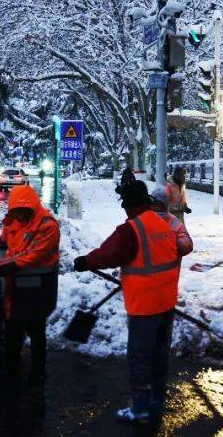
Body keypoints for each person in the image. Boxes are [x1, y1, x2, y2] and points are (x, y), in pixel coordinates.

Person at [73, 181, 192, 423]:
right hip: (166, 301)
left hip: (145, 305)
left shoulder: (130, 230)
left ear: (128, 207)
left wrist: (85, 261)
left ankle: (140, 409)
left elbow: (109, 254)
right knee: (159, 354)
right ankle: (157, 400)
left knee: (139, 356)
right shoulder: (163, 224)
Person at [0, 184, 60, 386]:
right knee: (12, 326)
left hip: (38, 286)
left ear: (31, 207)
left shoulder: (47, 225)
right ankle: (11, 369)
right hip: (15, 283)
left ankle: (38, 372)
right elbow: (7, 234)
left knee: (36, 328)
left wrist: (0, 265)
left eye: (23, 211)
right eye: (16, 211)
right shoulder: (13, 218)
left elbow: (32, 256)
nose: (20, 216)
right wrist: (2, 241)